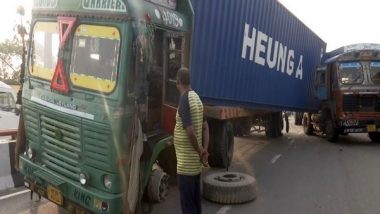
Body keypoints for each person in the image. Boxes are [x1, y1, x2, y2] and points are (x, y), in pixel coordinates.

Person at [174, 67, 209, 214]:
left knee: (188, 207)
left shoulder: (184, 99)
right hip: (195, 166)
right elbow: (206, 127)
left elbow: (190, 131)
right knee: (196, 204)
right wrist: (204, 151)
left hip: (185, 166)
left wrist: (201, 151)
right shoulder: (197, 98)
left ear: (178, 82)